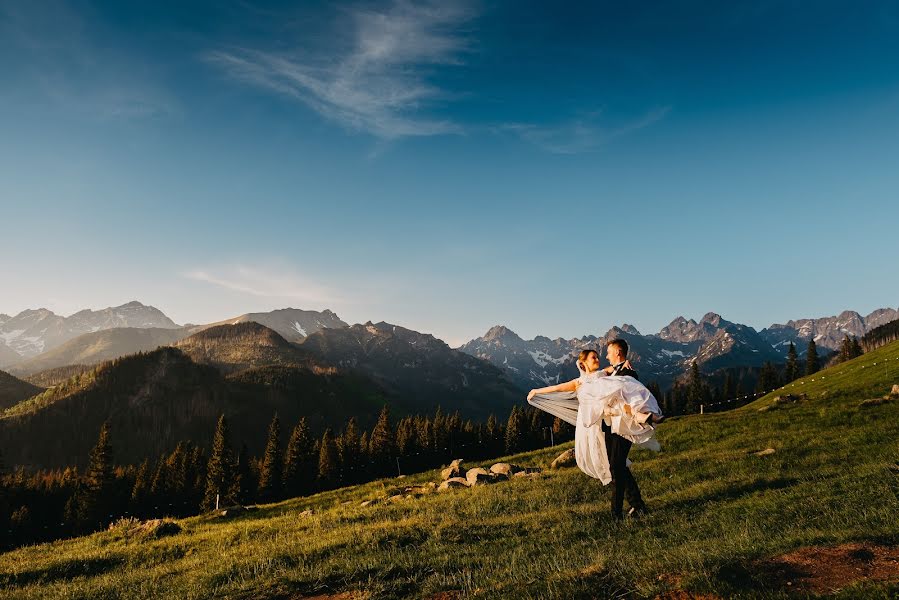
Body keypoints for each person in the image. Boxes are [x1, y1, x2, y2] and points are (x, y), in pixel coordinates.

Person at [526, 344, 661, 520]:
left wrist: (625, 361)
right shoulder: (580, 382)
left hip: (613, 422)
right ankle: (636, 505)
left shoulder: (603, 374)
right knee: (617, 466)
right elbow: (558, 387)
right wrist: (537, 390)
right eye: (593, 358)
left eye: (599, 356)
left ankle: (623, 510)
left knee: (617, 466)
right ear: (583, 363)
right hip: (595, 426)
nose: (598, 359)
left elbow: (618, 372)